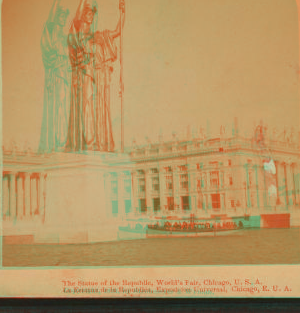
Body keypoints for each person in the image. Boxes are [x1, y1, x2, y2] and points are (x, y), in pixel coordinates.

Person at [65, 0, 125, 152]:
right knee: (85, 107)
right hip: (84, 77)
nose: (90, 16)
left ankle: (98, 142)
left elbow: (118, 31)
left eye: (92, 14)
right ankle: (87, 141)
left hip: (97, 79)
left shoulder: (99, 36)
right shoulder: (76, 36)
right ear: (83, 15)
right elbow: (76, 19)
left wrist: (123, 11)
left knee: (99, 109)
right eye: (88, 13)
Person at [39, 0, 71, 153]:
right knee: (57, 108)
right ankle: (57, 141)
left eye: (65, 17)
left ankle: (63, 140)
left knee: (64, 108)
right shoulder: (51, 32)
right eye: (61, 16)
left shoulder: (65, 37)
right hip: (56, 76)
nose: (63, 19)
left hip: (66, 76)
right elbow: (50, 19)